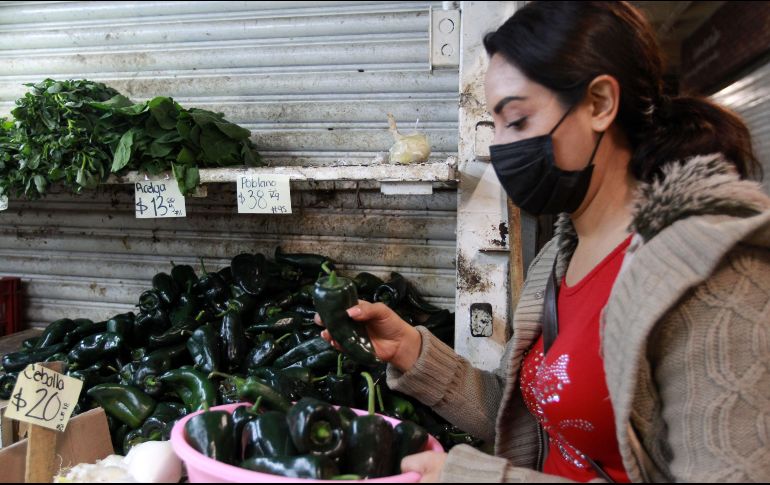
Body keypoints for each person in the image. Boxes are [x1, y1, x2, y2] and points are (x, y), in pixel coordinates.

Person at [316, 2, 770, 482]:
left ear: (599, 103)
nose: (502, 149)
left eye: (517, 121)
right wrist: (410, 349)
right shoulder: (559, 256)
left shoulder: (716, 275)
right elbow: (538, 419)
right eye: (497, 125)